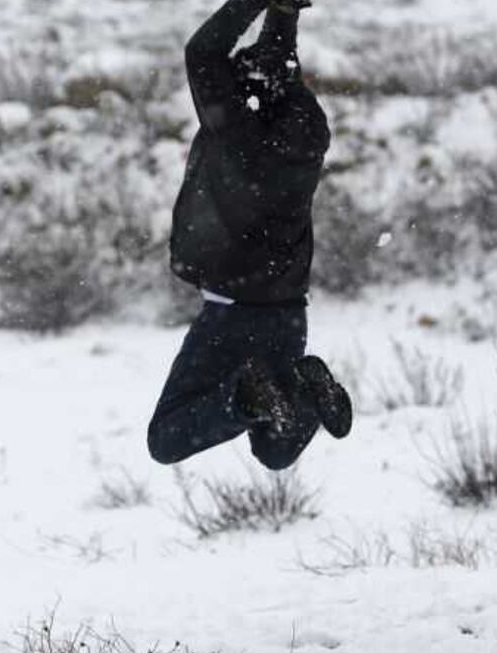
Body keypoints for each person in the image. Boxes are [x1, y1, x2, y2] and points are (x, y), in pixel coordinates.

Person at [148, 0, 351, 470]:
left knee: (166, 438)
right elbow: (279, 63)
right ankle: (302, 391)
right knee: (274, 451)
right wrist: (284, 14)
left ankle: (248, 397)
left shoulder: (237, 136)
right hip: (285, 312)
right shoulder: (304, 130)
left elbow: (203, 51)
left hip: (233, 315)